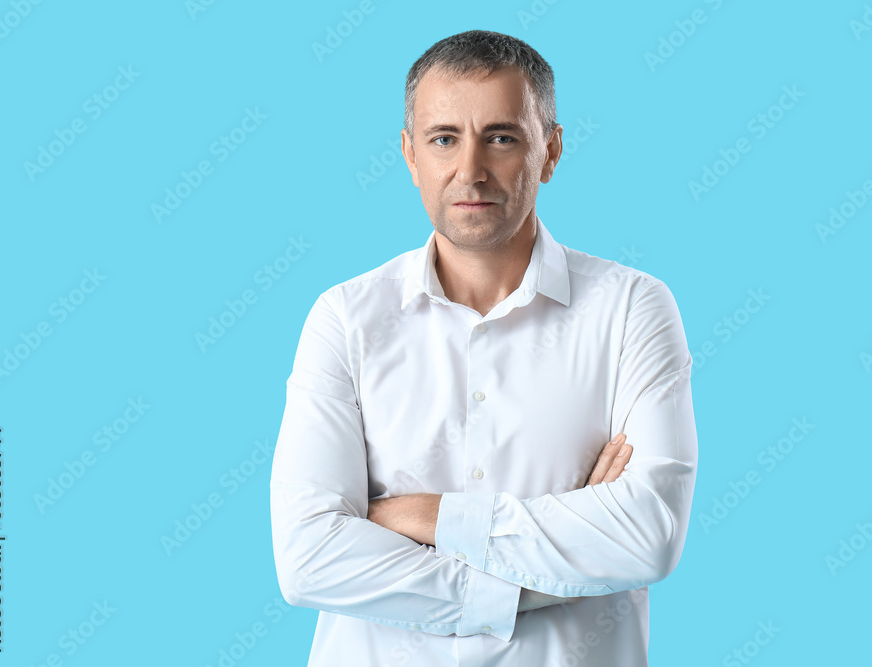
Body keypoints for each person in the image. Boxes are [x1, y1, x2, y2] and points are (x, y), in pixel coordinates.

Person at [270, 29, 698, 667]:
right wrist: (543, 576)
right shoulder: (346, 319)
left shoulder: (632, 309)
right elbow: (309, 559)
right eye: (444, 139)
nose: (469, 170)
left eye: (501, 137)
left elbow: (648, 535)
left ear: (549, 152)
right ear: (411, 156)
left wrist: (425, 517)